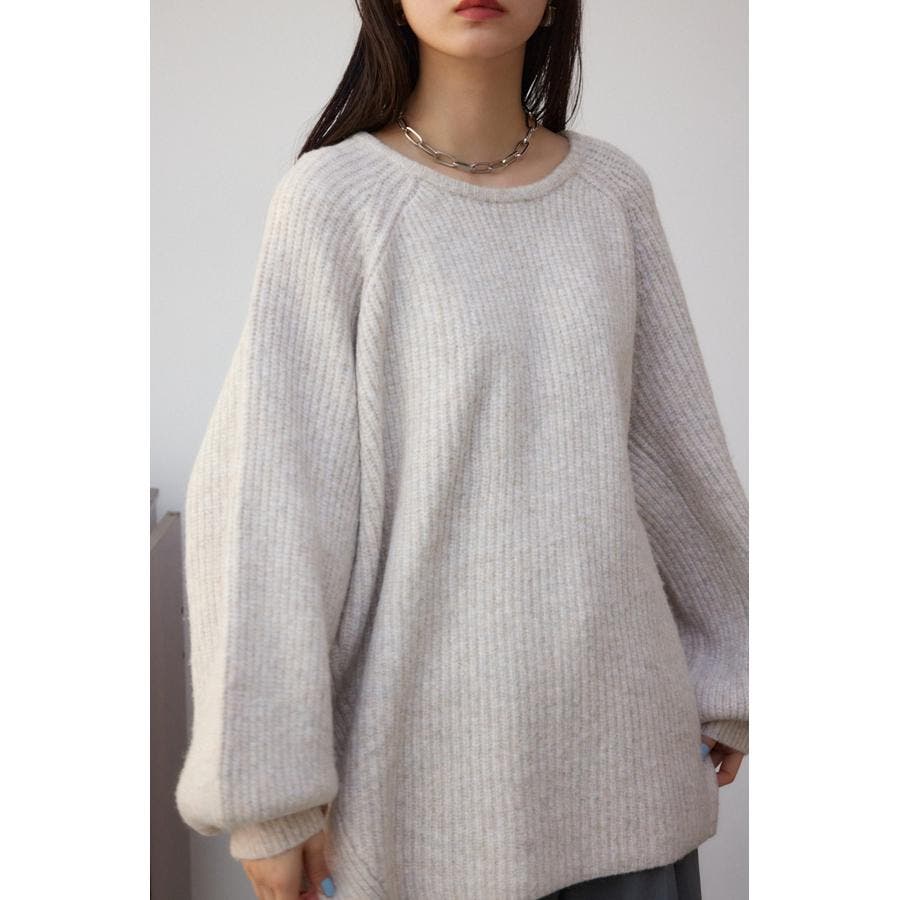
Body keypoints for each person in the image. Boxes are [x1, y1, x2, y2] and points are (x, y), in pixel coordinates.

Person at [173, 2, 749, 898]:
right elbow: (270, 503)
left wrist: (737, 665)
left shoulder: (612, 193)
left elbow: (679, 454)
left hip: (626, 772)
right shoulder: (335, 201)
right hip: (414, 801)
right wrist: (268, 790)